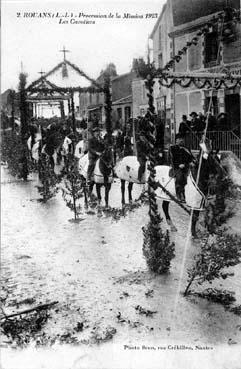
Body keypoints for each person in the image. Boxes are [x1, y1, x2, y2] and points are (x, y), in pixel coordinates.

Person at [168, 133, 196, 202]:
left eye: (181, 139)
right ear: (176, 140)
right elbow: (171, 160)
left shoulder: (186, 148)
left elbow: (191, 158)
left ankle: (187, 194)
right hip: (177, 168)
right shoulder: (172, 148)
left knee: (190, 179)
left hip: (186, 167)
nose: (180, 141)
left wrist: (191, 162)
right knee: (180, 178)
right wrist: (178, 165)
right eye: (179, 139)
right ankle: (179, 194)